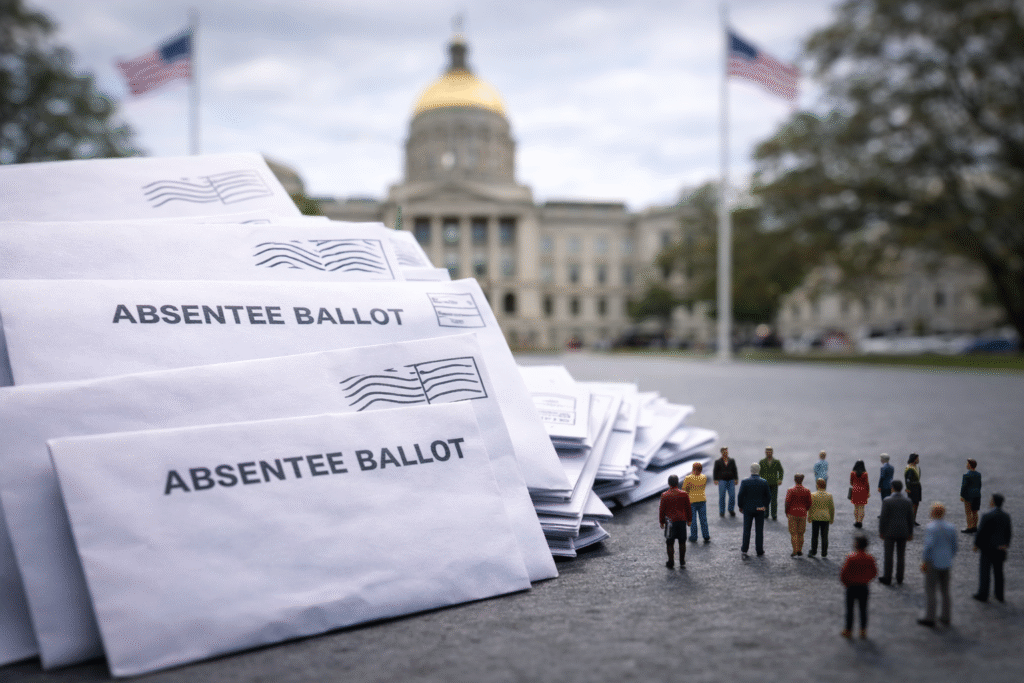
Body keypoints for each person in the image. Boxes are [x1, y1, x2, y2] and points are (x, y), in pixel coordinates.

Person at [919, 502, 957, 627]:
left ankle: (930, 617)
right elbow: (954, 547)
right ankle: (946, 616)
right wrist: (949, 557)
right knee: (945, 591)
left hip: (933, 562)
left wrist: (925, 561)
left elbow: (928, 547)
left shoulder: (931, 528)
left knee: (931, 590)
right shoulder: (951, 527)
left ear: (933, 513)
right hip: (946, 562)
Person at [973, 493, 1012, 603]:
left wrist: (976, 545)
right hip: (1000, 548)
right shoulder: (1006, 516)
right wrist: (1006, 544)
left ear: (993, 502)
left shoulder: (987, 515)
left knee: (985, 572)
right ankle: (999, 595)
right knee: (999, 572)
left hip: (987, 548)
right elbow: (1008, 532)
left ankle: (983, 594)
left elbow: (981, 532)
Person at [840, 534, 877, 639]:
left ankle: (848, 630)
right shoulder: (870, 558)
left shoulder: (851, 558)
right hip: (864, 587)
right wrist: (866, 580)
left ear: (856, 545)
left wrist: (846, 583)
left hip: (851, 587)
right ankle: (863, 630)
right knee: (863, 609)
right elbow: (874, 572)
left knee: (850, 609)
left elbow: (844, 573)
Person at [878, 480, 914, 585]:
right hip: (903, 531)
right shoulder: (908, 501)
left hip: (889, 531)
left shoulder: (887, 501)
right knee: (901, 555)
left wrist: (881, 531)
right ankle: (900, 577)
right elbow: (910, 518)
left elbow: (883, 518)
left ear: (892, 488)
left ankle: (887, 577)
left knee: (888, 555)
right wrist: (910, 533)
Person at [658, 474, 692, 569]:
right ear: (677, 482)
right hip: (681, 521)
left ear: (669, 483)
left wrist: (661, 521)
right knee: (682, 542)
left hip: (669, 522)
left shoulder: (664, 495)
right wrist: (689, 520)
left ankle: (671, 561)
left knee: (669, 542)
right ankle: (682, 561)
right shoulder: (684, 494)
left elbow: (662, 510)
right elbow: (688, 508)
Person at [738, 462, 771, 557]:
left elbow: (740, 495)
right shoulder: (764, 482)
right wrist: (764, 506)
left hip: (748, 509)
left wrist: (741, 506)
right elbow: (768, 496)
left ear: (751, 470)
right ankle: (759, 550)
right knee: (759, 530)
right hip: (760, 508)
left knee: (746, 529)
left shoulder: (745, 482)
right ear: (759, 470)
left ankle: (744, 549)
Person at [785, 473, 812, 557]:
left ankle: (794, 550)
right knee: (801, 533)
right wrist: (805, 509)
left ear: (795, 480)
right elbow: (809, 503)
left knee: (793, 533)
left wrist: (787, 512)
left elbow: (787, 502)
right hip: (802, 513)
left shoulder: (791, 490)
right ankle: (800, 549)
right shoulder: (807, 490)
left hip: (792, 513)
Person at [808, 477, 835, 558]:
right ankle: (824, 552)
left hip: (815, 517)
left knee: (814, 536)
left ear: (817, 485)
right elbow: (832, 508)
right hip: (825, 518)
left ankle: (813, 551)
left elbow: (810, 507)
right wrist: (831, 518)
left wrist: (809, 516)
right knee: (824, 536)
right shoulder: (829, 495)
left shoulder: (813, 495)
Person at [683, 462, 710, 542]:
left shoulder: (688, 478)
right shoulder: (704, 477)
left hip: (692, 501)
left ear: (693, 469)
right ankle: (706, 535)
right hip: (702, 500)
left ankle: (694, 536)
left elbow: (685, 489)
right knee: (703, 519)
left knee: (693, 520)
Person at [758, 447, 784, 520]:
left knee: (774, 499)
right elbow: (759, 472)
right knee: (765, 499)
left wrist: (780, 479)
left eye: (770, 451)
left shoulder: (776, 462)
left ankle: (774, 514)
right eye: (767, 451)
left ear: (772, 452)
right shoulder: (762, 462)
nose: (769, 453)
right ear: (765, 452)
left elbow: (781, 471)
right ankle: (765, 513)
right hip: (765, 483)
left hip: (774, 483)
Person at [712, 447, 739, 517]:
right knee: (722, 497)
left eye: (726, 451)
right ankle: (722, 511)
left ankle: (731, 509)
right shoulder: (718, 462)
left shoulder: (732, 460)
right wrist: (715, 479)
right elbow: (715, 471)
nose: (725, 453)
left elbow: (734, 469)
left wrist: (736, 478)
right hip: (722, 480)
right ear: (721, 453)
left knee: (732, 496)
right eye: (724, 452)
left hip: (731, 480)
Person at [960, 459, 982, 533]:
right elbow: (979, 485)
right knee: (975, 511)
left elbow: (964, 487)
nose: (966, 465)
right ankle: (975, 526)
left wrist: (962, 495)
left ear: (969, 465)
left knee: (968, 512)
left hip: (968, 496)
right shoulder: (978, 474)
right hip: (977, 495)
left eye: (967, 463)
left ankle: (969, 527)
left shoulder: (966, 475)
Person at [850, 460, 870, 528]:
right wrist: (868, 492)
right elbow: (866, 484)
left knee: (856, 508)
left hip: (855, 490)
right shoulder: (865, 474)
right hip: (863, 491)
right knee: (861, 508)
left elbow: (851, 482)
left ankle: (856, 521)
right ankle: (860, 522)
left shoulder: (853, 473)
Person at [905, 453, 923, 526]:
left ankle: (913, 519)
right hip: (912, 487)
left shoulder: (917, 468)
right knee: (912, 504)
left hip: (917, 487)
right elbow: (908, 480)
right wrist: (908, 488)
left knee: (916, 504)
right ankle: (910, 519)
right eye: (917, 459)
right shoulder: (909, 468)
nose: (918, 460)